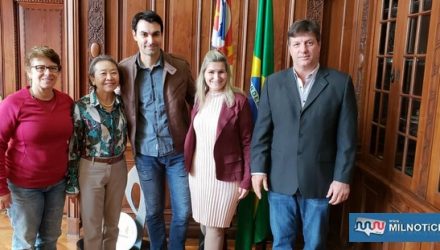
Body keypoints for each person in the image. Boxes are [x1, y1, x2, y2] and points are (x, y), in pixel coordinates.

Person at [251, 19, 358, 249]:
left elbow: (347, 138)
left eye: (309, 42)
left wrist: (342, 178)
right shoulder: (272, 83)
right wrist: (258, 169)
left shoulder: (341, 83)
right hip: (279, 180)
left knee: (316, 244)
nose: (303, 49)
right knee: (281, 242)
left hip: (320, 181)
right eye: (297, 44)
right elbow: (261, 132)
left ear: (319, 45)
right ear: (289, 48)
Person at [119, 10, 195, 250]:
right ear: (135, 36)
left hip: (177, 153)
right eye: (144, 34)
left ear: (162, 35)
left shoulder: (180, 67)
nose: (150, 40)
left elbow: (198, 102)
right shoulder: (123, 70)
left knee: (183, 212)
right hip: (145, 154)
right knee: (153, 211)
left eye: (155, 34)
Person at [0, 46, 73, 249]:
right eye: (40, 67)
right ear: (29, 71)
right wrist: (1, 189)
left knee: (50, 239)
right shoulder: (13, 103)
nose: (47, 73)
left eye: (53, 68)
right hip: (24, 187)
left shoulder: (66, 102)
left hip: (57, 185)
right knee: (25, 241)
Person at [184, 50, 252, 250]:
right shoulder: (200, 99)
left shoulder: (238, 101)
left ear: (227, 74)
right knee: (205, 225)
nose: (216, 77)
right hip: (199, 174)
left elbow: (248, 142)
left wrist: (247, 179)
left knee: (215, 227)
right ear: (204, 74)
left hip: (226, 177)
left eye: (221, 72)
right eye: (211, 72)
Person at [66, 55, 128, 250]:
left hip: (118, 166)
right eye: (103, 73)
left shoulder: (124, 104)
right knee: (92, 227)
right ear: (92, 79)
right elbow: (73, 147)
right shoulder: (81, 106)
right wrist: (72, 183)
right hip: (90, 168)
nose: (109, 77)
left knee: (112, 225)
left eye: (113, 72)